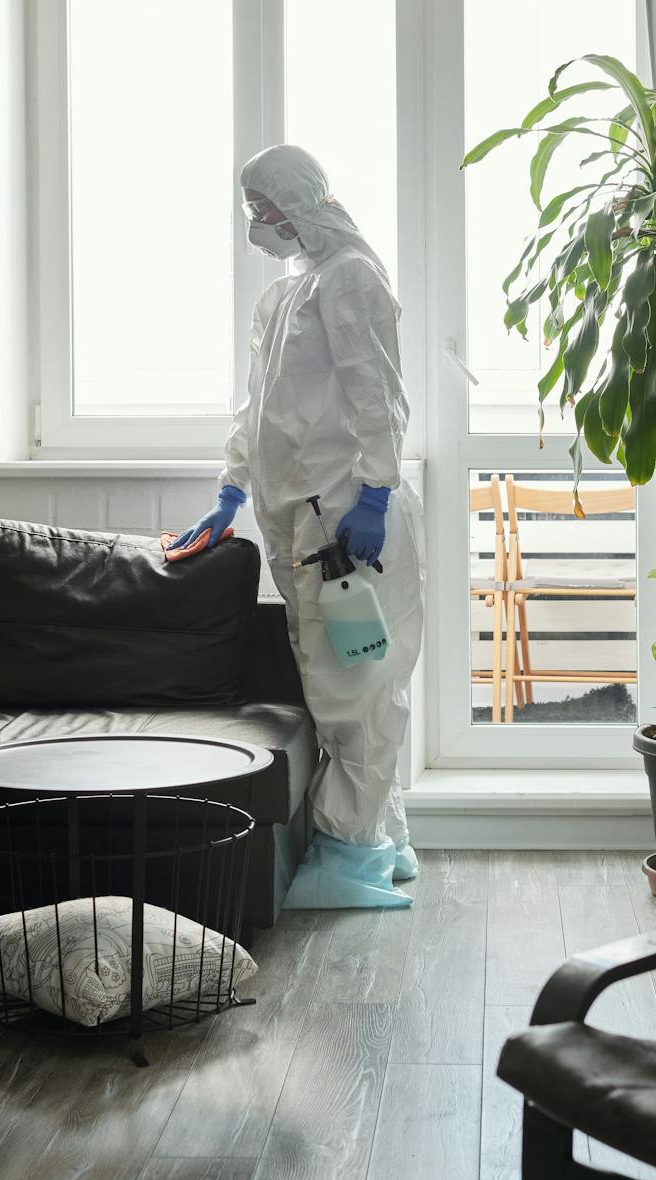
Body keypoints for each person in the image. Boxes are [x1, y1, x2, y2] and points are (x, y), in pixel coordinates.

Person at [168, 144, 425, 910]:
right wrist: (229, 487)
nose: (258, 223)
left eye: (264, 208)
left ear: (297, 201)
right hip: (300, 525)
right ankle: (384, 836)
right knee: (333, 679)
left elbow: (378, 394)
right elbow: (258, 405)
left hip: (349, 525)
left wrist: (376, 493)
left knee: (359, 687)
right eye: (251, 209)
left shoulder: (349, 276)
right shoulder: (284, 296)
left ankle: (350, 853)